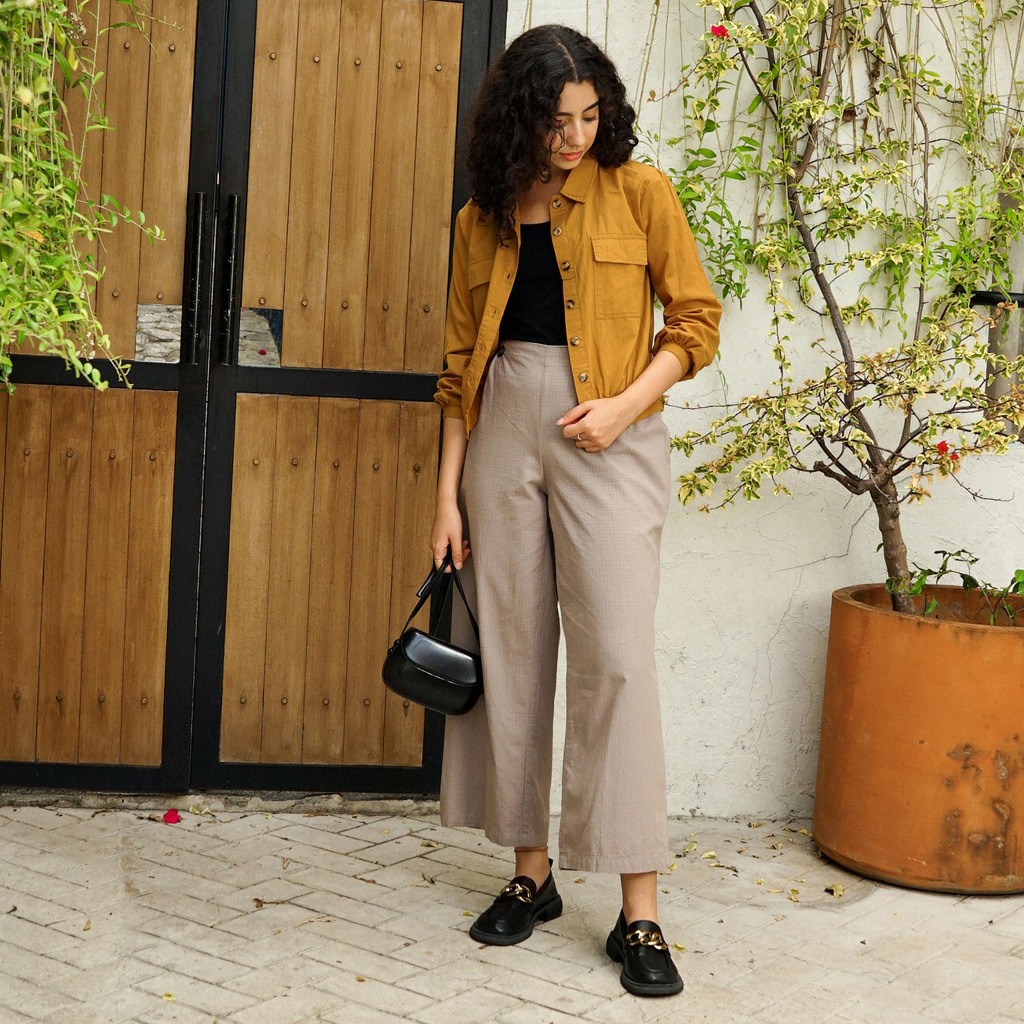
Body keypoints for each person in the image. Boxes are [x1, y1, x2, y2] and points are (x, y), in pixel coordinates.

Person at [430, 24, 721, 998]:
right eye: (557, 121)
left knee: (620, 660)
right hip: (502, 431)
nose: (576, 137)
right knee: (512, 653)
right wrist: (445, 498)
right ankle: (531, 873)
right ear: (522, 118)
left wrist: (626, 406)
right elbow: (457, 370)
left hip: (611, 432)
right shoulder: (481, 216)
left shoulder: (640, 192)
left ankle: (639, 912)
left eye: (591, 116)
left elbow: (695, 321)